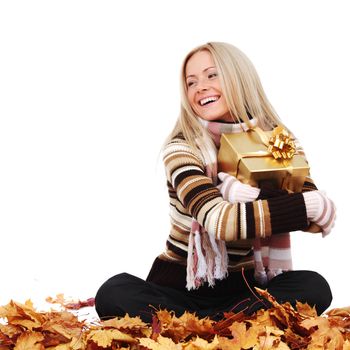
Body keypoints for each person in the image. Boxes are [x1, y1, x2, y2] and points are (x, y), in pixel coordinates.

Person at [95, 42, 336, 323]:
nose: (200, 87)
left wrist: (247, 194)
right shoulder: (182, 148)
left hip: (246, 288)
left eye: (212, 75)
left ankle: (206, 325)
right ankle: (226, 324)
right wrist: (295, 203)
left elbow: (317, 219)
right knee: (114, 291)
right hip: (177, 289)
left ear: (239, 77)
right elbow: (220, 221)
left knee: (314, 287)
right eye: (191, 82)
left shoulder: (278, 142)